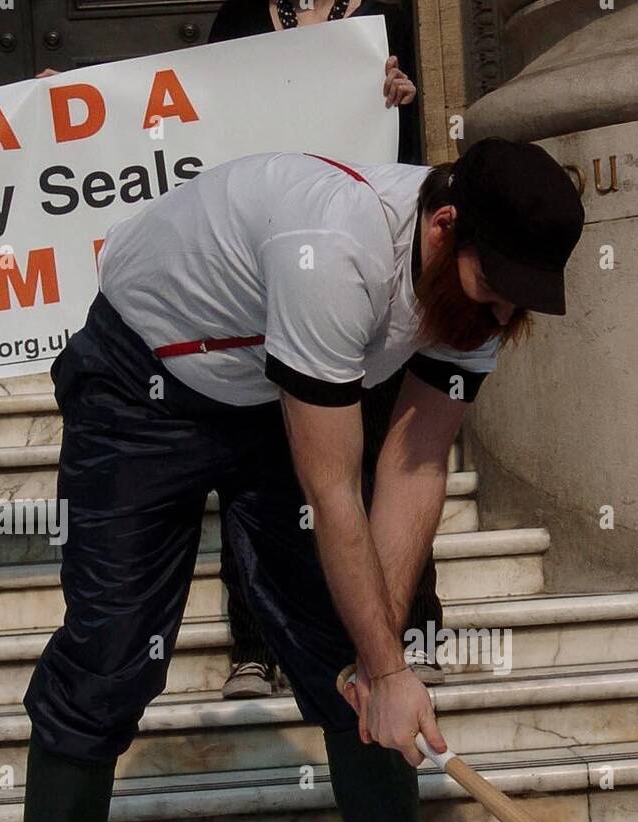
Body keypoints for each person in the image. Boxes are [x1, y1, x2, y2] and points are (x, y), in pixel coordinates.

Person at [11, 138, 585, 822]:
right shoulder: (334, 249)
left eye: (521, 295)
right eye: (494, 283)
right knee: (111, 652)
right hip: (143, 383)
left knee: (345, 653)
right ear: (443, 227)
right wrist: (387, 673)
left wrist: (378, 660)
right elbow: (331, 490)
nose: (502, 309)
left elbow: (416, 463)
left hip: (266, 394)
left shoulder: (474, 304)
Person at [208, 0, 433, 697]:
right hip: (262, 276)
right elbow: (192, 104)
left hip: (358, 277)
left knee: (389, 454)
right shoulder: (242, 13)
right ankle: (254, 644)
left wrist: (401, 98)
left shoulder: (387, 13)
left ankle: (407, 631)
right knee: (255, 468)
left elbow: (412, 160)